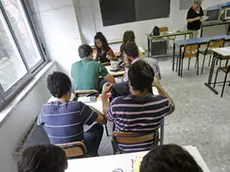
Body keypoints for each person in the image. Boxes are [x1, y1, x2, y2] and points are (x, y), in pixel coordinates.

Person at [102, 61, 175, 152]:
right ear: (151, 81)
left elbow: (108, 117)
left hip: (123, 147)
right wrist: (158, 86)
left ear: (129, 82)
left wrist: (104, 94)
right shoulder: (161, 103)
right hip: (149, 147)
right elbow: (172, 106)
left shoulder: (117, 103)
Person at [37, 71, 107, 156]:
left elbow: (41, 124)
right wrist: (91, 108)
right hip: (80, 149)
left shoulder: (44, 109)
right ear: (69, 87)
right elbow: (103, 120)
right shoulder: (78, 106)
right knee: (98, 128)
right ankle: (91, 154)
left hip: (58, 153)